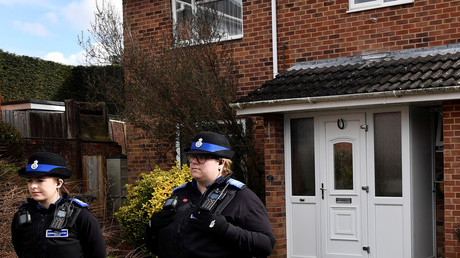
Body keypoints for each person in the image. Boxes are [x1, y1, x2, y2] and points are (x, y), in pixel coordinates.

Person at [144, 131, 275, 257]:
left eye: (202, 157)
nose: (194, 161)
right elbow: (156, 247)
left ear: (221, 162)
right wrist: (152, 228)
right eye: (192, 156)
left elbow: (266, 244)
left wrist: (224, 229)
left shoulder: (239, 196)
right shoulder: (179, 194)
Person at [11, 152, 106, 258]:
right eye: (30, 181)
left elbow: (98, 253)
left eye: (40, 180)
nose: (33, 186)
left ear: (59, 183)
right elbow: (21, 251)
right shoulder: (22, 216)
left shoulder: (80, 215)